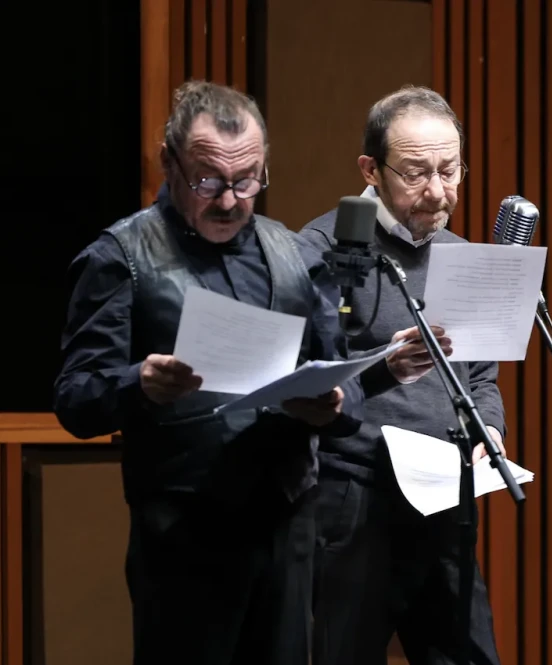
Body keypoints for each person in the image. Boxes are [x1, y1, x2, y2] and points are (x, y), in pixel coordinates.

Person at [53, 80, 363, 665]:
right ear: (168, 162)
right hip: (184, 538)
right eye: (208, 181)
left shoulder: (295, 253)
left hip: (287, 528)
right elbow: (75, 399)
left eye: (247, 180)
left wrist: (336, 404)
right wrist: (139, 382)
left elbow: (348, 384)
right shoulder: (120, 257)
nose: (228, 201)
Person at [297, 85, 507, 665]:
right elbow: (302, 382)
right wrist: (382, 368)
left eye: (450, 170)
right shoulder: (321, 248)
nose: (437, 191)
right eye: (416, 173)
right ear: (371, 169)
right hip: (354, 496)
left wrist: (490, 431)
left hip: (445, 495)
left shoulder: (463, 254)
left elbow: (481, 377)